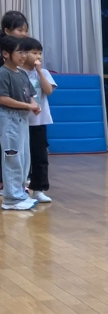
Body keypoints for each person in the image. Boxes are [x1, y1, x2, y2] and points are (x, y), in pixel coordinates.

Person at [0, 35, 41, 211]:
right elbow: (3, 98)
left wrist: (34, 104)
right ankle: (11, 199)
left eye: (25, 52)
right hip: (9, 119)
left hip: (22, 120)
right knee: (12, 158)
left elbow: (30, 95)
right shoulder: (3, 73)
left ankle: (20, 194)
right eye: (19, 52)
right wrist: (28, 106)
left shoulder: (22, 73)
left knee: (24, 158)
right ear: (6, 54)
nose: (24, 56)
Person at [18, 37, 55, 203]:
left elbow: (48, 91)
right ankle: (20, 189)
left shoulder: (44, 73)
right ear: (23, 54)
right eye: (34, 53)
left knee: (40, 157)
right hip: (20, 121)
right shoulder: (16, 72)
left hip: (39, 122)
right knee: (20, 157)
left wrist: (39, 71)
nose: (38, 56)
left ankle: (39, 190)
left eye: (40, 53)